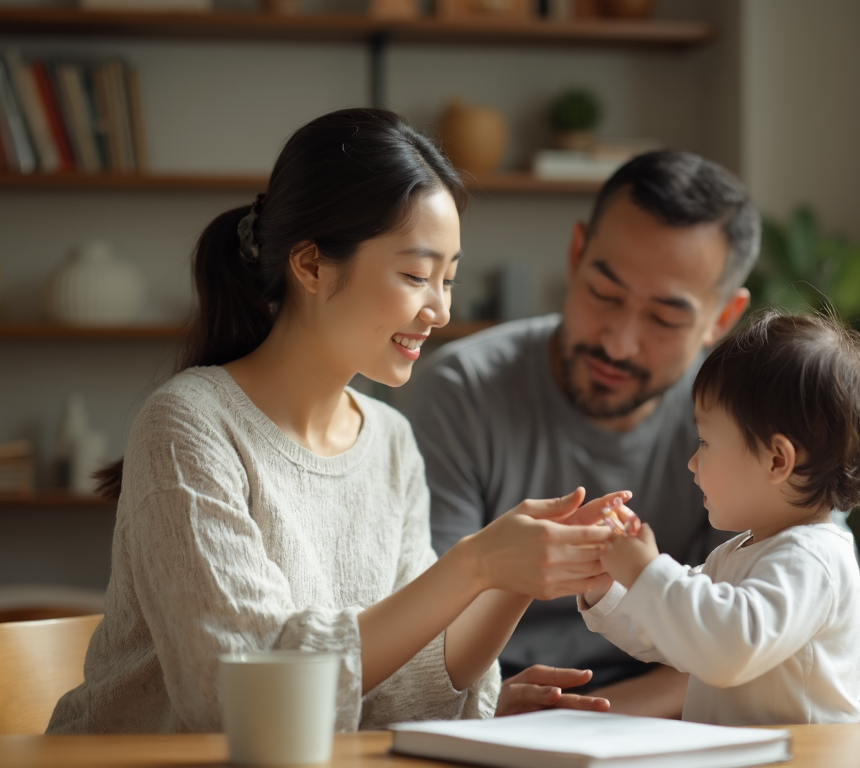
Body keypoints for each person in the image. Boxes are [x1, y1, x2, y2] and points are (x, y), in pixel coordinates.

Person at [47, 109, 620, 734]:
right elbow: (234, 696)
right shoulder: (188, 424)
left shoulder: (390, 441)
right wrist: (474, 565)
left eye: (448, 280)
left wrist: (517, 577)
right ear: (313, 265)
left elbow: (394, 691)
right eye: (415, 275)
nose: (439, 311)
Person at [404, 150, 860, 722]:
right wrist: (608, 586)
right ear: (577, 255)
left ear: (721, 317)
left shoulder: (746, 412)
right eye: (605, 293)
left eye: (664, 318)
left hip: (667, 710)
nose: (619, 342)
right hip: (510, 701)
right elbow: (434, 625)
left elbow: (818, 590)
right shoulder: (461, 394)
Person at [581, 311, 860, 726]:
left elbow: (730, 645)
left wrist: (645, 571)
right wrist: (611, 589)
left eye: (706, 441)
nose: (693, 463)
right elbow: (679, 631)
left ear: (777, 460)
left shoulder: (812, 558)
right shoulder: (741, 552)